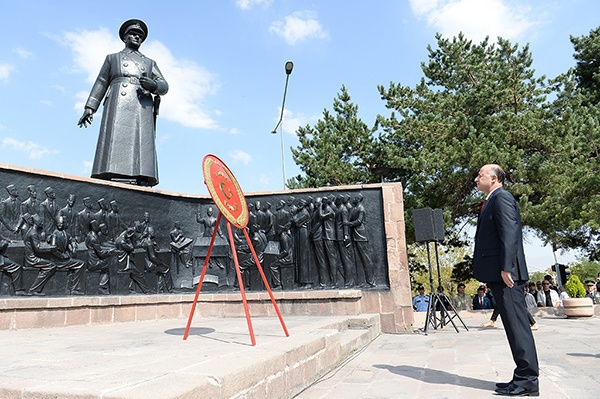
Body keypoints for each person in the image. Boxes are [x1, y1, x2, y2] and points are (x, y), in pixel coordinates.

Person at [472, 164, 539, 396]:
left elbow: (510, 233)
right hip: (500, 273)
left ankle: (528, 379)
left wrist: (506, 267)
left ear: (493, 178)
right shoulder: (492, 199)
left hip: (507, 274)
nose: (476, 179)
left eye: (480, 175)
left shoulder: (501, 198)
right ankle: (522, 375)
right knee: (513, 327)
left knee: (518, 327)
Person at [77, 19, 168, 187]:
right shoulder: (113, 58)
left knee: (140, 143)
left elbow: (164, 85)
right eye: (133, 34)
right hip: (119, 101)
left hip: (142, 104)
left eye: (140, 35)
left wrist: (154, 85)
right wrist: (90, 107)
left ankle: (141, 176)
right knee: (115, 141)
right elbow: (101, 82)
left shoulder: (149, 63)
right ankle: (111, 173)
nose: (137, 37)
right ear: (125, 37)